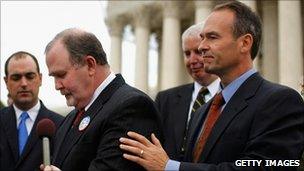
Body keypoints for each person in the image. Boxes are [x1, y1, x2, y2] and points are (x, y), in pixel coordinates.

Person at [119, 1, 304, 171]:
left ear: (245, 43)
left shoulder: (280, 101)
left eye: (212, 37)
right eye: (203, 38)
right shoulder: (202, 111)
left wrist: (169, 167)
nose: (201, 47)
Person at [41, 28, 163, 171]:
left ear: (90, 65)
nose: (57, 86)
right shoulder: (71, 118)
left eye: (61, 75)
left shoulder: (132, 107)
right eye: (54, 77)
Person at [155, 23, 219, 161]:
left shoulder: (230, 96)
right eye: (187, 53)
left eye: (198, 52)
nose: (192, 60)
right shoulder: (165, 100)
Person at [0, 51, 63, 171]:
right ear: (6, 82)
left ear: (40, 79)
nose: (23, 83)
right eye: (16, 77)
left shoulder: (61, 125)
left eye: (30, 76)